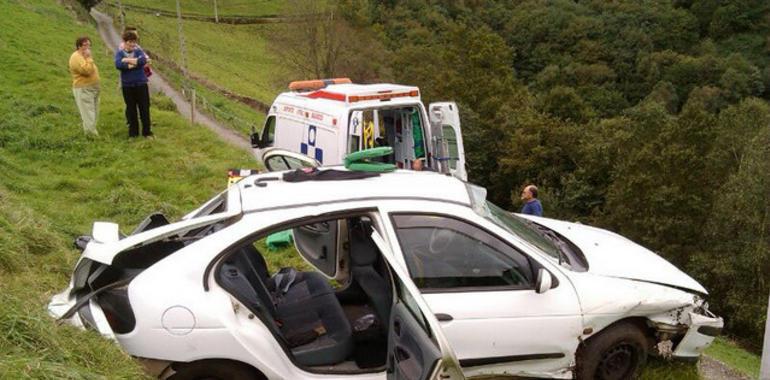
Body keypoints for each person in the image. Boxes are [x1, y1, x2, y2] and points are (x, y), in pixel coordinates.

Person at [115, 31, 152, 138]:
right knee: (131, 109)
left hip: (141, 84)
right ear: (125, 42)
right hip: (127, 86)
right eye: (130, 42)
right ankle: (133, 133)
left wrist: (126, 60)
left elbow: (142, 61)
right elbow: (118, 65)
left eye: (134, 42)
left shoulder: (139, 51)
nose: (132, 44)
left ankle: (147, 132)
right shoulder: (119, 53)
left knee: (144, 108)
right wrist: (134, 64)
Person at [69, 36, 100, 135]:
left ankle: (91, 130)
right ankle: (91, 134)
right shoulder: (76, 57)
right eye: (85, 45)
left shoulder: (83, 56)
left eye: (89, 44)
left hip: (93, 88)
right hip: (84, 88)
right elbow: (86, 71)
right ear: (79, 46)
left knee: (94, 111)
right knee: (88, 112)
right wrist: (89, 58)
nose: (88, 47)